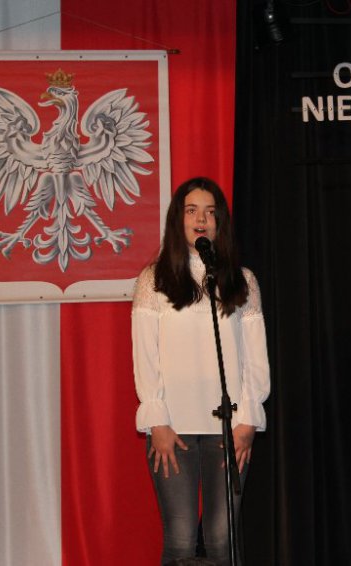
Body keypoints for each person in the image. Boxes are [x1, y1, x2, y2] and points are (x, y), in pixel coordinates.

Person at [131, 177, 270, 566]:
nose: (201, 219)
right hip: (173, 429)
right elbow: (145, 355)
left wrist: (248, 419)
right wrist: (157, 421)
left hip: (228, 430)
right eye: (192, 211)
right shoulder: (153, 280)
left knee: (222, 540)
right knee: (180, 539)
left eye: (210, 212)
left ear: (220, 222)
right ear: (178, 219)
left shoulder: (242, 280)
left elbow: (254, 356)